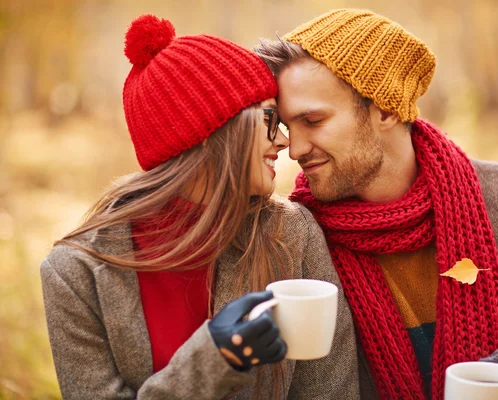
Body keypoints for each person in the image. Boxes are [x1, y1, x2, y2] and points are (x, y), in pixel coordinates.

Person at [255, 8, 498, 400]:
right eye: (287, 127)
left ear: (384, 108)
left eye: (312, 122)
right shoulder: (293, 233)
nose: (294, 150)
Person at [40, 14, 359, 400]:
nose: (284, 144)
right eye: (272, 119)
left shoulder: (292, 233)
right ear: (213, 130)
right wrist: (215, 360)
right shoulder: (75, 274)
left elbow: (331, 390)